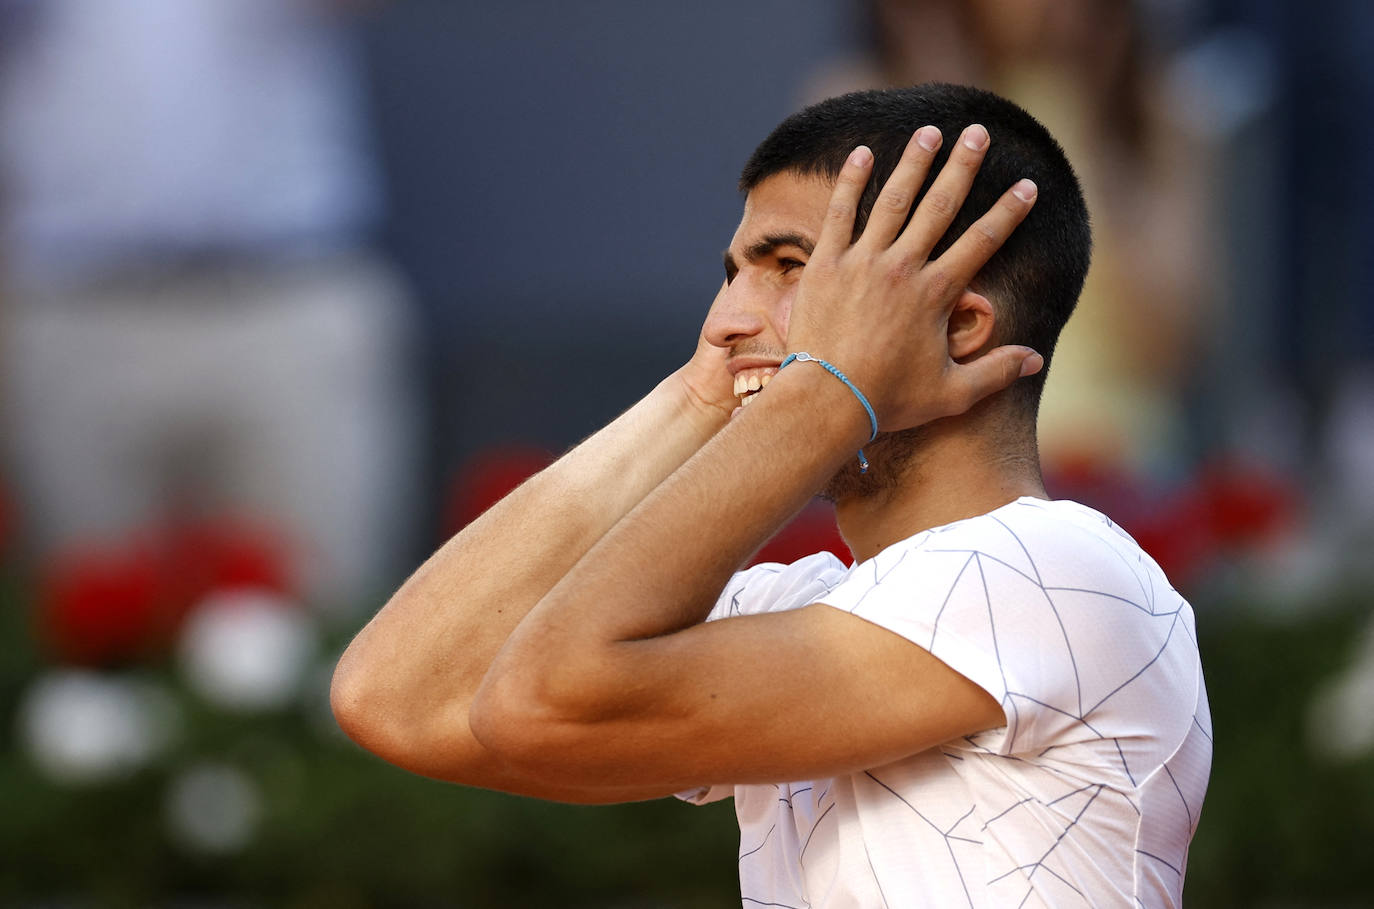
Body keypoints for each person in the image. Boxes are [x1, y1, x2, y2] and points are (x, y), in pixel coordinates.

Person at [332, 84, 1211, 907]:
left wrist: (827, 388)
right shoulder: (807, 603)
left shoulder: (1057, 573)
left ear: (959, 325)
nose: (722, 322)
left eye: (790, 267)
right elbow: (397, 698)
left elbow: (542, 695)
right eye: (731, 275)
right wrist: (701, 393)